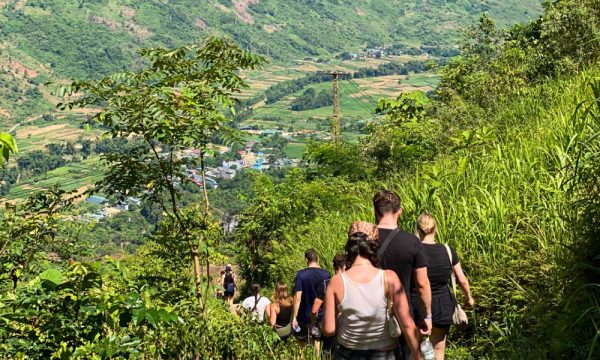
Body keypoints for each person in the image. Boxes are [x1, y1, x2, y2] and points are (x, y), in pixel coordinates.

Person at [322, 223, 423, 360]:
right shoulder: (389, 277)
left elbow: (329, 330)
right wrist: (417, 355)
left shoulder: (336, 281)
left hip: (348, 354)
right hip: (384, 354)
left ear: (349, 247)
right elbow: (407, 324)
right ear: (374, 246)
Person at [373, 190, 432, 359]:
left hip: (369, 312)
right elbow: (422, 284)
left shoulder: (365, 241)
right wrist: (427, 315)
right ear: (400, 211)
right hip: (403, 312)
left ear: (375, 212)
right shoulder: (412, 241)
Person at [414, 214, 474, 360]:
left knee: (414, 350)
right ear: (435, 229)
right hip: (443, 305)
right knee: (438, 351)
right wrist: (469, 299)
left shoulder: (414, 251)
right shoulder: (447, 250)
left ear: (417, 229)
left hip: (417, 304)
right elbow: (462, 280)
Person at [292, 248, 331, 345]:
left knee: (301, 343)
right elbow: (328, 296)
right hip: (320, 315)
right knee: (317, 341)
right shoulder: (326, 274)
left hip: (303, 315)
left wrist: (294, 317)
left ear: (306, 260)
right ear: (317, 259)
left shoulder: (301, 275)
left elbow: (298, 297)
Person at [313, 253, 347, 357]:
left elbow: (314, 310)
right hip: (347, 327)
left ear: (334, 266)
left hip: (329, 325)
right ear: (345, 266)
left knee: (327, 352)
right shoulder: (351, 284)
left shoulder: (325, 283)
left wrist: (315, 322)